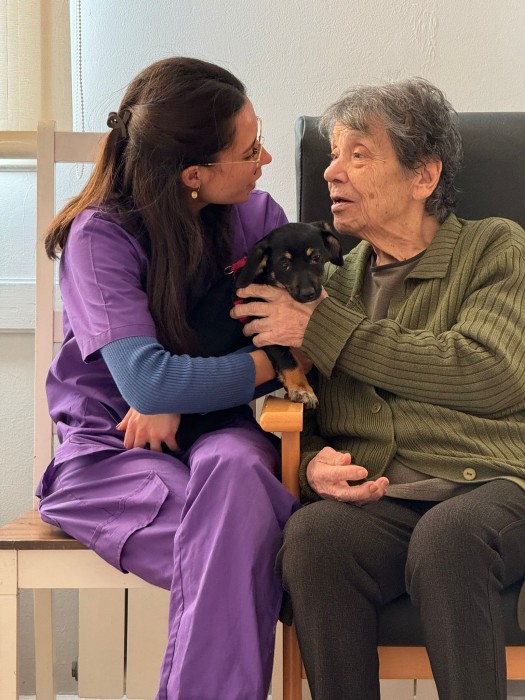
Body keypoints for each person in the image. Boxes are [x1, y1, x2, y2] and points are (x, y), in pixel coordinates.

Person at [231, 77, 525, 699]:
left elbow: (490, 373)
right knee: (313, 539)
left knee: (448, 540)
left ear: (424, 176)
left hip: (496, 485)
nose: (331, 171)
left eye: (358, 154)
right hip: (383, 497)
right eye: (333, 154)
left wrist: (323, 327)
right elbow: (303, 410)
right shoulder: (330, 283)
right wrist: (312, 465)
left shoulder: (495, 247)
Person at [37, 56, 299, 700]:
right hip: (113, 449)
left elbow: (311, 326)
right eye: (249, 150)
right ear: (193, 176)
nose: (265, 159)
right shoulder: (99, 238)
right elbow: (148, 388)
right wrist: (271, 365)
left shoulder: (258, 219)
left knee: (239, 479)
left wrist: (182, 390)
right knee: (242, 541)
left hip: (224, 434)